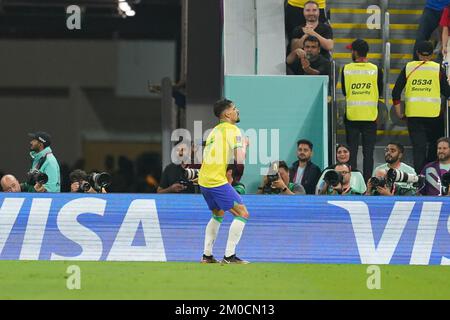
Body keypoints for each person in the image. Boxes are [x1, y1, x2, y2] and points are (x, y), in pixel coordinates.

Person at [198, 99, 250, 264]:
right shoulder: (233, 130)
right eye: (234, 109)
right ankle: (229, 257)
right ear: (227, 114)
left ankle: (207, 256)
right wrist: (245, 145)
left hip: (204, 180)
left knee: (218, 214)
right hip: (215, 180)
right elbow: (239, 159)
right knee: (242, 213)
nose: (237, 111)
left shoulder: (213, 132)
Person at [392, 41, 450, 173]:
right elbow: (447, 92)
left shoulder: (408, 67)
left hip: (414, 116)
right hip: (434, 115)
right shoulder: (437, 68)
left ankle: (420, 179)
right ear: (432, 54)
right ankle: (431, 175)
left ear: (417, 53)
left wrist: (399, 112)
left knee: (419, 149)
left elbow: (395, 92)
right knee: (435, 147)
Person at [341, 39, 383, 182]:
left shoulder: (346, 69)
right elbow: (380, 91)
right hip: (370, 117)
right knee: (368, 153)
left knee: (351, 152)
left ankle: (351, 182)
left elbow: (345, 91)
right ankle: (367, 182)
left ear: (355, 52)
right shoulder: (376, 69)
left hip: (352, 116)